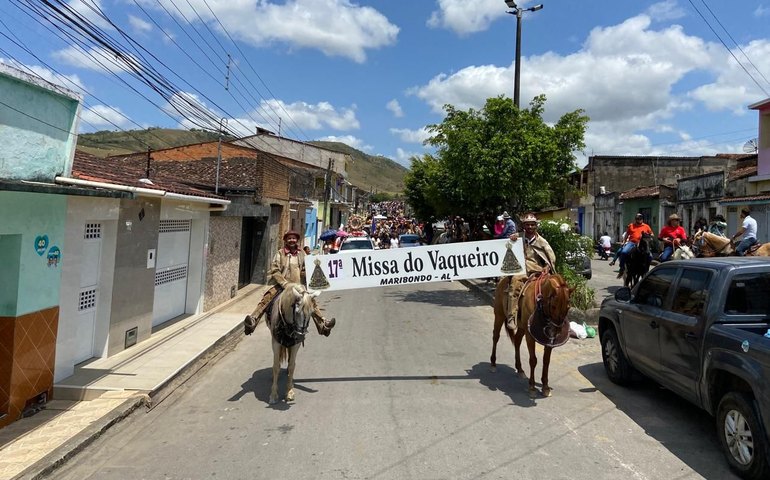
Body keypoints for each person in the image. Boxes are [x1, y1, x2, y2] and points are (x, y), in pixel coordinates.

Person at [244, 231, 336, 336]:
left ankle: (323, 324)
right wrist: (284, 283)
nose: (292, 240)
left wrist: (308, 272)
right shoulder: (280, 253)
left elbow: (305, 268)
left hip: (298, 286)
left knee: (310, 301)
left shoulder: (302, 253)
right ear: (285, 240)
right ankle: (253, 320)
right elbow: (275, 270)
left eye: (294, 238)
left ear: (297, 240)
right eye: (289, 238)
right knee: (267, 298)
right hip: (282, 285)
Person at [504, 213, 557, 330]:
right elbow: (507, 248)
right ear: (523, 226)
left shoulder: (542, 242)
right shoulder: (517, 238)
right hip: (521, 269)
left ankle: (555, 318)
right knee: (514, 284)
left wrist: (547, 266)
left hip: (537, 269)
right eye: (527, 224)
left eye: (532, 224)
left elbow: (551, 257)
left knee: (555, 289)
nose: (530, 227)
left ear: (536, 226)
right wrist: (511, 240)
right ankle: (511, 316)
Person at [617, 213, 653, 278]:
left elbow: (652, 234)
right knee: (623, 252)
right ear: (635, 219)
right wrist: (624, 242)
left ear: (642, 219)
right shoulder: (631, 225)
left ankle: (646, 270)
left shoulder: (646, 226)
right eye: (637, 219)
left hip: (643, 244)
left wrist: (647, 235)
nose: (639, 220)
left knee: (650, 256)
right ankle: (622, 268)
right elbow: (627, 234)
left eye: (640, 219)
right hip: (632, 242)